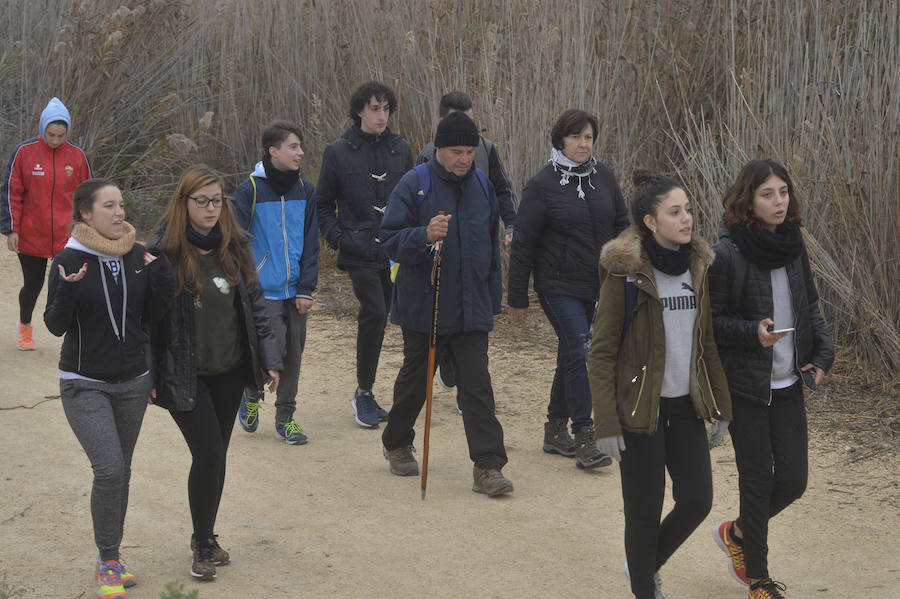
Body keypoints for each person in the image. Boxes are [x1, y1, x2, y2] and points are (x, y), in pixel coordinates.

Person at [588, 172, 732, 599]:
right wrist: (606, 423)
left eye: (687, 209)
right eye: (675, 212)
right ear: (651, 222)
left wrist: (719, 405)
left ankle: (642, 566)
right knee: (643, 514)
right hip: (639, 412)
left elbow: (705, 343)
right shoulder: (626, 275)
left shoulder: (698, 267)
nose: (687, 218)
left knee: (697, 501)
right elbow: (600, 353)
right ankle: (644, 588)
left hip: (685, 407)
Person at [148, 166, 282, 581]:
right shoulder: (162, 252)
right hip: (183, 372)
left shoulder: (234, 245)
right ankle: (202, 543)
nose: (210, 208)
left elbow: (256, 306)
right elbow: (146, 320)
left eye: (217, 200)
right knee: (207, 453)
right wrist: (148, 373)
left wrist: (270, 357)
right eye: (201, 201)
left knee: (217, 456)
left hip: (230, 368)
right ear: (183, 203)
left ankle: (205, 536)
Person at [44, 178, 175, 599]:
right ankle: (109, 558)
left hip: (134, 382)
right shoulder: (67, 258)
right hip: (84, 384)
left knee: (124, 471)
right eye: (109, 206)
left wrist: (163, 280)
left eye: (121, 205)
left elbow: (152, 321)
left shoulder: (140, 256)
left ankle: (112, 555)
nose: (120, 213)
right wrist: (68, 286)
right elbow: (55, 325)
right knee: (110, 469)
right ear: (85, 213)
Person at [708, 159, 833, 599]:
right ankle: (759, 581)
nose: (779, 201)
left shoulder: (793, 245)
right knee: (757, 481)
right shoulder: (726, 254)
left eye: (783, 192)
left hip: (788, 384)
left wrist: (823, 355)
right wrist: (752, 334)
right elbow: (713, 323)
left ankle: (738, 532)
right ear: (748, 201)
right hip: (747, 386)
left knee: (793, 481)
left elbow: (810, 307)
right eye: (767, 194)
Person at [379, 111, 513, 497]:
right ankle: (396, 441)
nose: (464, 159)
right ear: (439, 149)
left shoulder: (483, 185)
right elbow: (388, 237)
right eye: (457, 151)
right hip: (426, 306)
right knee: (415, 383)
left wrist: (492, 301)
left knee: (477, 387)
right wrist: (423, 234)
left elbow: (489, 249)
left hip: (472, 307)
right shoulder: (414, 183)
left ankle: (488, 466)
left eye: (470, 151)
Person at [507, 108, 629, 468]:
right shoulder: (542, 185)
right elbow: (524, 244)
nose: (583, 143)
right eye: (576, 137)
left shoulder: (604, 177)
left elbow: (622, 225)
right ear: (561, 140)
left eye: (589, 137)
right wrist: (517, 298)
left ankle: (554, 429)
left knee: (572, 352)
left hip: (600, 284)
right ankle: (585, 435)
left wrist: (630, 269)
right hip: (557, 285)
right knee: (581, 348)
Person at [316, 81, 413, 428]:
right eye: (374, 108)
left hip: (394, 248)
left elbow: (413, 197)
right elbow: (323, 205)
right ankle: (364, 393)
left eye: (386, 108)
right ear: (359, 110)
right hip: (357, 247)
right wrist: (339, 239)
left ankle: (390, 391)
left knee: (387, 314)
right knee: (373, 311)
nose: (381, 115)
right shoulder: (338, 152)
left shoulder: (401, 149)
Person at [417, 91, 518, 402]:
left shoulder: (487, 149)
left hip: (477, 245)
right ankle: (446, 360)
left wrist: (511, 224)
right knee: (444, 323)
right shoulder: (426, 155)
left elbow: (502, 189)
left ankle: (469, 394)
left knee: (476, 327)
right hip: (442, 254)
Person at [231, 120, 318, 445]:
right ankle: (251, 393)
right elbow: (234, 236)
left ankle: (286, 419)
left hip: (296, 290)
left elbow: (312, 242)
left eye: (300, 146)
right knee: (271, 350)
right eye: (293, 146)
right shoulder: (250, 190)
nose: (300, 153)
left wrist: (306, 287)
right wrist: (247, 278)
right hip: (262, 290)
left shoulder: (306, 190)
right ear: (273, 150)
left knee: (293, 353)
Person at [2, 97, 92, 350]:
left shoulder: (77, 156)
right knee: (33, 285)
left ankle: (77, 332)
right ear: (42, 129)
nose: (55, 140)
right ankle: (25, 327)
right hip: (32, 235)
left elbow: (88, 194)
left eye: (61, 135)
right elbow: (11, 192)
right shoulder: (24, 153)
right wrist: (11, 229)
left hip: (67, 237)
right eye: (51, 134)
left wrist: (89, 228)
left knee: (73, 283)